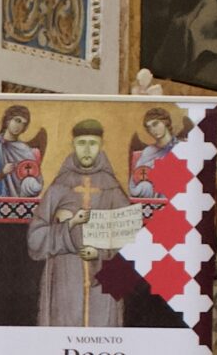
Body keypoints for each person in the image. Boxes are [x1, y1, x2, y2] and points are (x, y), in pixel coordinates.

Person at [28, 117, 137, 328]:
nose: (87, 150)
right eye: (81, 143)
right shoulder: (59, 187)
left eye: (93, 143)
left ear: (101, 145)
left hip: (103, 279)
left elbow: (132, 241)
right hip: (66, 275)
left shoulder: (112, 189)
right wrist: (68, 227)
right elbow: (35, 239)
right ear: (73, 145)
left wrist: (100, 254)